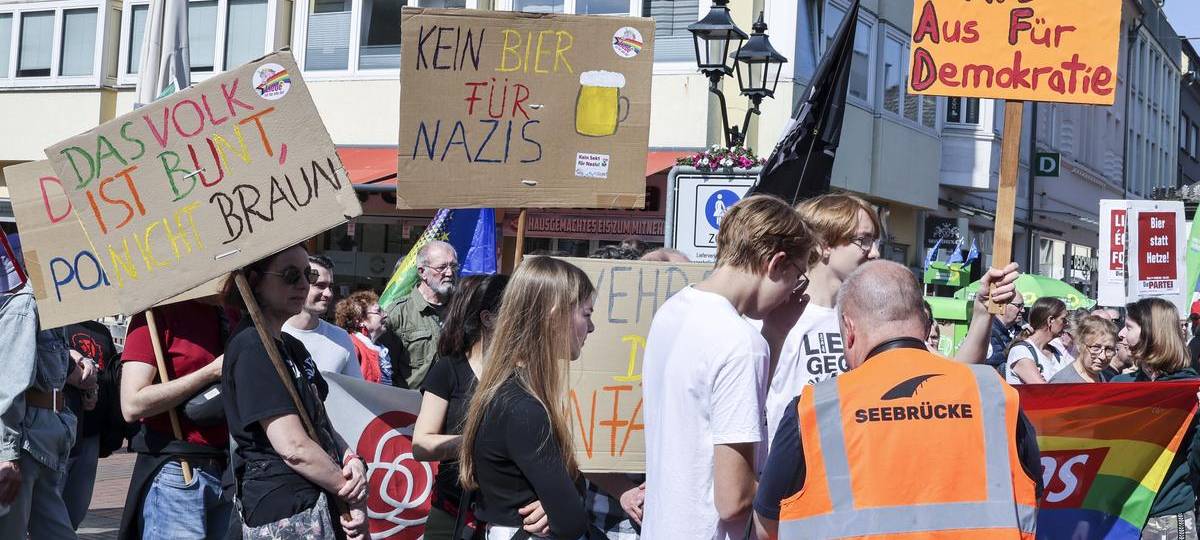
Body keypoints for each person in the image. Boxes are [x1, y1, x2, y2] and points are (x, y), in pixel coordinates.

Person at [752, 260, 1041, 539]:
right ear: (926, 324)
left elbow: (767, 525)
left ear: (849, 330)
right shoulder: (993, 394)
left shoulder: (814, 409)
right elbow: (1030, 494)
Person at [768, 194, 1015, 446]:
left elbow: (954, 373)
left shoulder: (878, 317)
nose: (874, 252)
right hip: (794, 470)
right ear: (823, 244)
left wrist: (983, 311)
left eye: (875, 241)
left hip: (858, 468)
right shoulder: (779, 318)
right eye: (863, 240)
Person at [642, 195, 815, 540]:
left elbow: (726, 416)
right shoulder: (739, 343)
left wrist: (775, 334)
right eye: (797, 277)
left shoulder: (672, 311)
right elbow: (733, 500)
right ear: (776, 263)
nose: (792, 294)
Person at [221, 245, 368, 539]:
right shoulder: (251, 347)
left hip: (317, 500)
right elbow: (293, 447)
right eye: (290, 275)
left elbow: (321, 424)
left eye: (307, 274)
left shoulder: (292, 347)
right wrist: (349, 492)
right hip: (285, 508)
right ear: (254, 281)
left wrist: (352, 461)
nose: (303, 284)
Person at [458, 256, 597, 539]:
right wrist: (563, 503)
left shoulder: (507, 393)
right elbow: (571, 521)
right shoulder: (523, 408)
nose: (591, 327)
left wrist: (557, 501)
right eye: (586, 314)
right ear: (555, 315)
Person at [118, 297, 232, 540]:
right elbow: (131, 403)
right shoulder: (155, 314)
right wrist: (209, 372)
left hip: (227, 469)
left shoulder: (234, 313)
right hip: (178, 471)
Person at [414, 274, 508, 539]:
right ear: (488, 319)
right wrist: (475, 443)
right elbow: (421, 445)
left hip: (509, 515)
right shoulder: (448, 370)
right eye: (515, 310)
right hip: (453, 512)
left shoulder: (522, 372)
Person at [0, 232, 80, 538]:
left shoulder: (52, 309)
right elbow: (9, 385)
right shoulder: (26, 307)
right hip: (26, 446)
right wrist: (7, 456)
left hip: (46, 445)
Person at [1112, 297, 1200, 538]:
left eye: (1129, 327)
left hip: (1167, 516)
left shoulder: (1189, 390)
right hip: (1121, 514)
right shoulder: (1119, 386)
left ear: (1151, 334)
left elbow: (1195, 463)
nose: (1120, 333)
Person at [60, 320, 119, 529]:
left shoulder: (101, 331)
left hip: (90, 435)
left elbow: (109, 378)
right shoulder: (52, 325)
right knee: (46, 512)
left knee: (75, 511)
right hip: (58, 434)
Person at [384, 240, 459, 389]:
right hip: (410, 406)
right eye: (442, 267)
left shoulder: (464, 310)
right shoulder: (397, 314)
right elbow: (384, 373)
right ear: (422, 272)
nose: (450, 273)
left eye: (453, 266)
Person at [283, 255, 362, 379]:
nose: (328, 293)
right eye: (320, 285)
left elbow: (356, 392)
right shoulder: (274, 332)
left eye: (330, 286)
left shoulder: (341, 338)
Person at [1005, 297, 1068, 384]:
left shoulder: (1056, 351)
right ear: (1050, 320)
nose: (1066, 323)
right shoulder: (1021, 351)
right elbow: (1042, 390)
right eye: (1063, 319)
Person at [335, 291, 393, 385]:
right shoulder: (352, 346)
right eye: (378, 311)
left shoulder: (379, 348)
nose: (385, 315)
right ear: (360, 320)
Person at [1049, 316, 1118, 383]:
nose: (1103, 357)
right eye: (1096, 348)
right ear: (1079, 345)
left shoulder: (1105, 376)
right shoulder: (1062, 383)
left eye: (1109, 349)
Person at [986, 289, 1025, 370]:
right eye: (1019, 306)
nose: (1023, 310)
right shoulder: (986, 332)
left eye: (1023, 306)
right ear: (1001, 305)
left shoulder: (1021, 332)